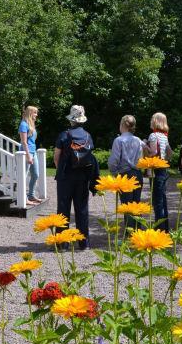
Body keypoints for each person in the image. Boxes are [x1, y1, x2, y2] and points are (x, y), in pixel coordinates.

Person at [54, 105, 99, 250]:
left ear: (71, 120)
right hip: (83, 178)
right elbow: (90, 157)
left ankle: (63, 244)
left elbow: (56, 157)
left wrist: (61, 169)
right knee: (82, 209)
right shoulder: (88, 136)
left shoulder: (64, 135)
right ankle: (83, 243)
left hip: (66, 177)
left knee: (63, 209)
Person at [107, 115, 144, 228]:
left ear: (122, 125)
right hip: (137, 174)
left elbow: (114, 160)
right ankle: (138, 230)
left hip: (125, 175)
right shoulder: (138, 140)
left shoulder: (118, 140)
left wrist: (114, 172)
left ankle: (129, 232)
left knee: (127, 205)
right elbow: (141, 158)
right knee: (136, 204)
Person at [145, 112, 173, 232]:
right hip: (163, 169)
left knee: (157, 200)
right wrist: (165, 160)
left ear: (155, 121)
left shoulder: (153, 135)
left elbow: (153, 152)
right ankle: (165, 227)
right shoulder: (164, 136)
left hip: (155, 169)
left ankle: (159, 228)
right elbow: (170, 153)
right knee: (162, 197)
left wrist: (143, 145)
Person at [18, 106, 41, 205]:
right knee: (24, 175)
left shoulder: (31, 124)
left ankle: (31, 195)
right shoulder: (23, 124)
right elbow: (24, 142)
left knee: (35, 174)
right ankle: (24, 198)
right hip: (26, 152)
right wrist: (28, 156)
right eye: (35, 113)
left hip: (33, 151)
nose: (36, 115)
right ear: (30, 113)